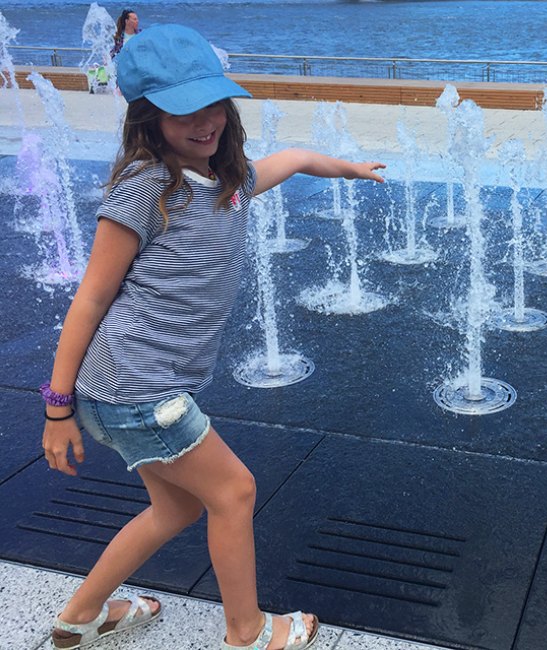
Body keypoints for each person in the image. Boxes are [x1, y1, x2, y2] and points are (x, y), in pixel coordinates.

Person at [41, 24, 385, 650]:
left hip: (129, 389)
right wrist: (56, 407)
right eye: (182, 114)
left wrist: (348, 169)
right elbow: (89, 298)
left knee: (176, 508)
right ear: (147, 120)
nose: (204, 123)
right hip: (135, 389)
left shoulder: (224, 181)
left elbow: (295, 159)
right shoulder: (146, 189)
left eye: (213, 107)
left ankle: (80, 617)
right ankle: (246, 632)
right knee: (236, 491)